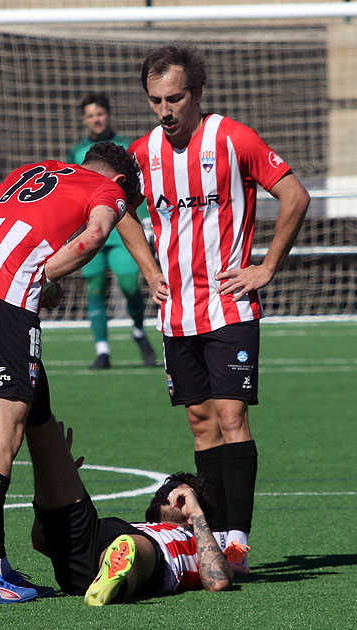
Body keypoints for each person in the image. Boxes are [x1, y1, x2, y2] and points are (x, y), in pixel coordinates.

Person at [115, 45, 310, 574]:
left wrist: (266, 266)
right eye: (155, 100)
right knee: (202, 425)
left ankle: (238, 543)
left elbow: (294, 195)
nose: (165, 109)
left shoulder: (233, 138)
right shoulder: (142, 154)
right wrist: (149, 270)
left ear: (196, 94)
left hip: (229, 306)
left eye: (174, 98)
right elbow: (114, 207)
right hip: (177, 312)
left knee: (231, 416)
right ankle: (213, 542)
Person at [0, 141, 139, 603]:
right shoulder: (107, 188)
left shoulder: (33, 170)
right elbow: (93, 237)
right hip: (4, 306)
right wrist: (42, 277)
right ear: (123, 182)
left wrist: (24, 265)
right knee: (6, 434)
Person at [26, 418, 233, 605]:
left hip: (144, 556)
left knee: (133, 546)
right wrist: (52, 487)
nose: (164, 495)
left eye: (176, 494)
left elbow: (218, 582)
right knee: (49, 450)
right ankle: (109, 576)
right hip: (92, 540)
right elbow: (40, 542)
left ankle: (113, 583)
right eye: (161, 492)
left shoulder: (196, 541)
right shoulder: (139, 527)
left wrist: (196, 515)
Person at [66, 93, 158, 370]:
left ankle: (140, 331)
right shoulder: (77, 151)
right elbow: (73, 190)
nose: (96, 119)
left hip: (122, 227)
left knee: (130, 285)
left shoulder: (126, 147)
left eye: (100, 113)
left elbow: (138, 188)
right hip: (89, 229)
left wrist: (146, 222)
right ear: (85, 120)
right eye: (91, 115)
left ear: (108, 115)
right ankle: (102, 350)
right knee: (95, 289)